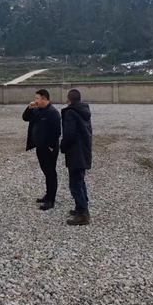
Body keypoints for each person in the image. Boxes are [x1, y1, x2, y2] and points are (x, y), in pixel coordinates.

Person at [22, 89, 61, 210]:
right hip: (39, 147)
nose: (35, 101)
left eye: (37, 98)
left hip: (49, 148)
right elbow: (25, 118)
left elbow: (57, 131)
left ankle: (51, 200)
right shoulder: (37, 110)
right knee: (46, 172)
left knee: (51, 173)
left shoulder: (52, 112)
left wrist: (50, 146)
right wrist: (29, 108)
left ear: (44, 99)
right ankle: (48, 194)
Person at [60, 88, 93, 226]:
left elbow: (69, 135)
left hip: (76, 153)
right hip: (84, 151)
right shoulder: (84, 111)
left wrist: (62, 147)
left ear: (68, 99)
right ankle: (82, 207)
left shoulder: (71, 113)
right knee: (80, 181)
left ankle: (82, 214)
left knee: (75, 184)